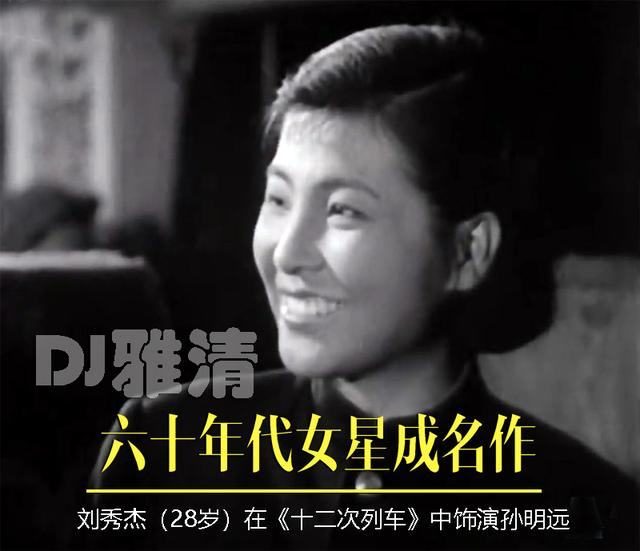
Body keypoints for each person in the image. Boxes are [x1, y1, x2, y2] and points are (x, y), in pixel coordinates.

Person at [89, 24, 638, 550]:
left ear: (468, 251)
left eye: (343, 211)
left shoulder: (586, 513)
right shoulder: (161, 449)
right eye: (278, 199)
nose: (287, 253)